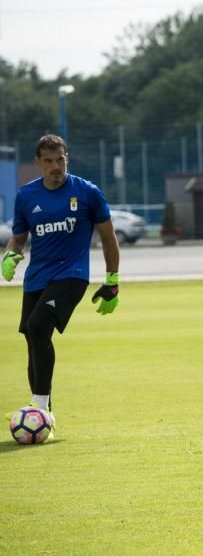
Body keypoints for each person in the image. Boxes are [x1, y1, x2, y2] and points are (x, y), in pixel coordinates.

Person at [3, 134, 120, 437]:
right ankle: (45, 415)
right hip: (37, 278)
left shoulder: (87, 192)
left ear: (67, 158)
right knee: (32, 337)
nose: (56, 166)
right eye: (49, 161)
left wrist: (112, 281)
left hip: (72, 274)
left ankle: (39, 407)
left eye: (61, 160)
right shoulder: (26, 196)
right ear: (38, 163)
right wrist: (11, 255)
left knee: (39, 325)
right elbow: (19, 236)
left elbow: (109, 238)